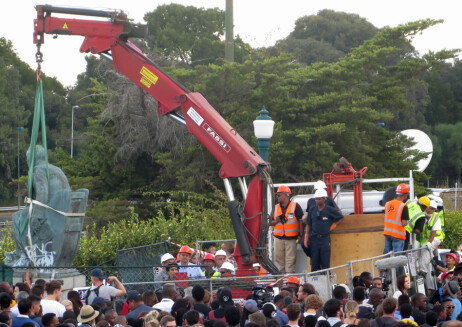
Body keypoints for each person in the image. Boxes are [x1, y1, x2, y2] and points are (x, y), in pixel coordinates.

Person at [306, 188, 344, 271]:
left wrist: (334, 225)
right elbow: (308, 224)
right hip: (314, 239)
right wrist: (306, 236)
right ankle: (314, 279)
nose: (317, 201)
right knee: (314, 262)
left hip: (325, 239)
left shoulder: (329, 210)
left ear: (324, 199)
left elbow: (341, 217)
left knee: (325, 262)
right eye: (316, 199)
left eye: (319, 199)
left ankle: (326, 279)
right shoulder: (312, 210)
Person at [270, 185, 304, 274]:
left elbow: (301, 221)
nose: (277, 197)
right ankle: (281, 280)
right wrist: (277, 220)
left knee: (290, 261)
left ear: (285, 195)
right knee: (279, 261)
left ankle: (289, 280)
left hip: (291, 238)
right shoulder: (275, 208)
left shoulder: (295, 206)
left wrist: (300, 235)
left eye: (279, 195)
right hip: (278, 238)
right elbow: (269, 223)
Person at [420, 200, 445, 276]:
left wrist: (429, 243)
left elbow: (434, 233)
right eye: (428, 208)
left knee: (426, 248)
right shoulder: (423, 215)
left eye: (432, 209)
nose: (429, 210)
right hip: (427, 239)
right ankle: (432, 260)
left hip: (436, 238)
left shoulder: (436, 217)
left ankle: (423, 270)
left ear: (434, 210)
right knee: (424, 251)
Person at [383, 183, 409, 254]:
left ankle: (385, 265)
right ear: (405, 195)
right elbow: (404, 223)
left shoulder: (387, 204)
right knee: (396, 256)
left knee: (387, 254)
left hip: (388, 233)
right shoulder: (403, 206)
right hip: (398, 234)